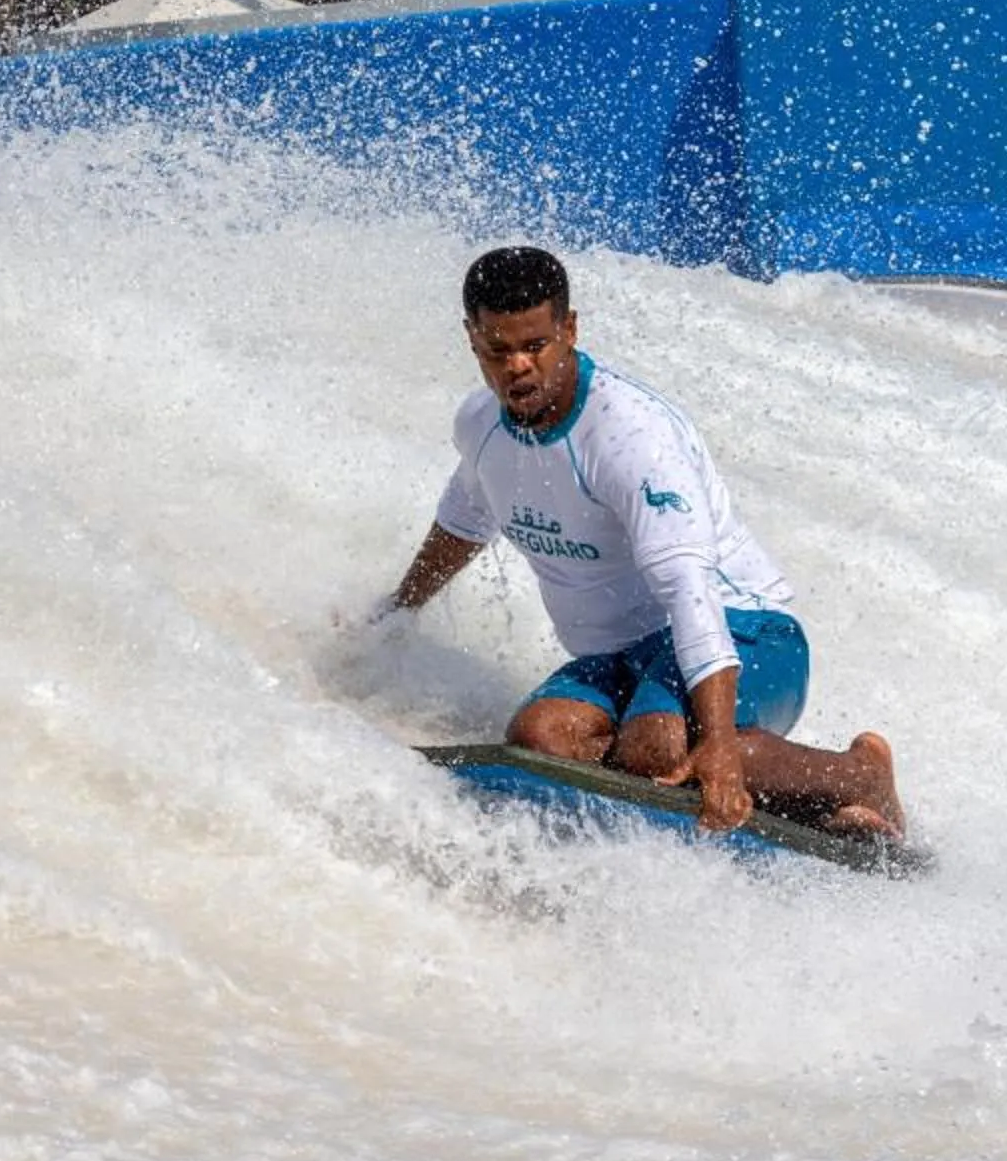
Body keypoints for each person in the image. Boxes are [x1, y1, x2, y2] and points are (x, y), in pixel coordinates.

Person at [383, 245, 905, 841]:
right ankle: (788, 800)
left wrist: (718, 745)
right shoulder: (480, 426)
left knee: (656, 747)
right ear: (472, 339)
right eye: (498, 350)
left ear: (569, 329)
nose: (517, 367)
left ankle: (858, 778)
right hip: (626, 657)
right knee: (540, 738)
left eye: (535, 345)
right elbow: (463, 523)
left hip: (747, 630)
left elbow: (689, 594)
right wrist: (394, 615)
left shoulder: (632, 438)